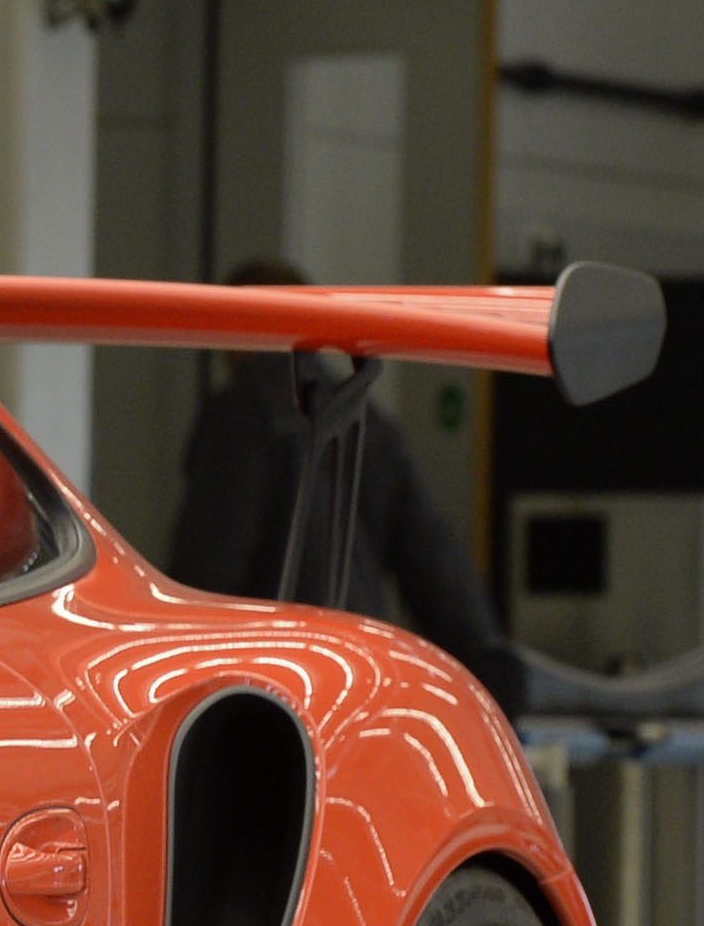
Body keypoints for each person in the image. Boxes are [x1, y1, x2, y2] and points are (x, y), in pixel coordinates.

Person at [165, 256, 526, 708]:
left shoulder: (239, 415)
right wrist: (494, 676)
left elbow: (210, 564)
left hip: (269, 686)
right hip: (358, 673)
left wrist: (182, 681)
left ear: (232, 331)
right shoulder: (368, 421)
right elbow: (436, 567)